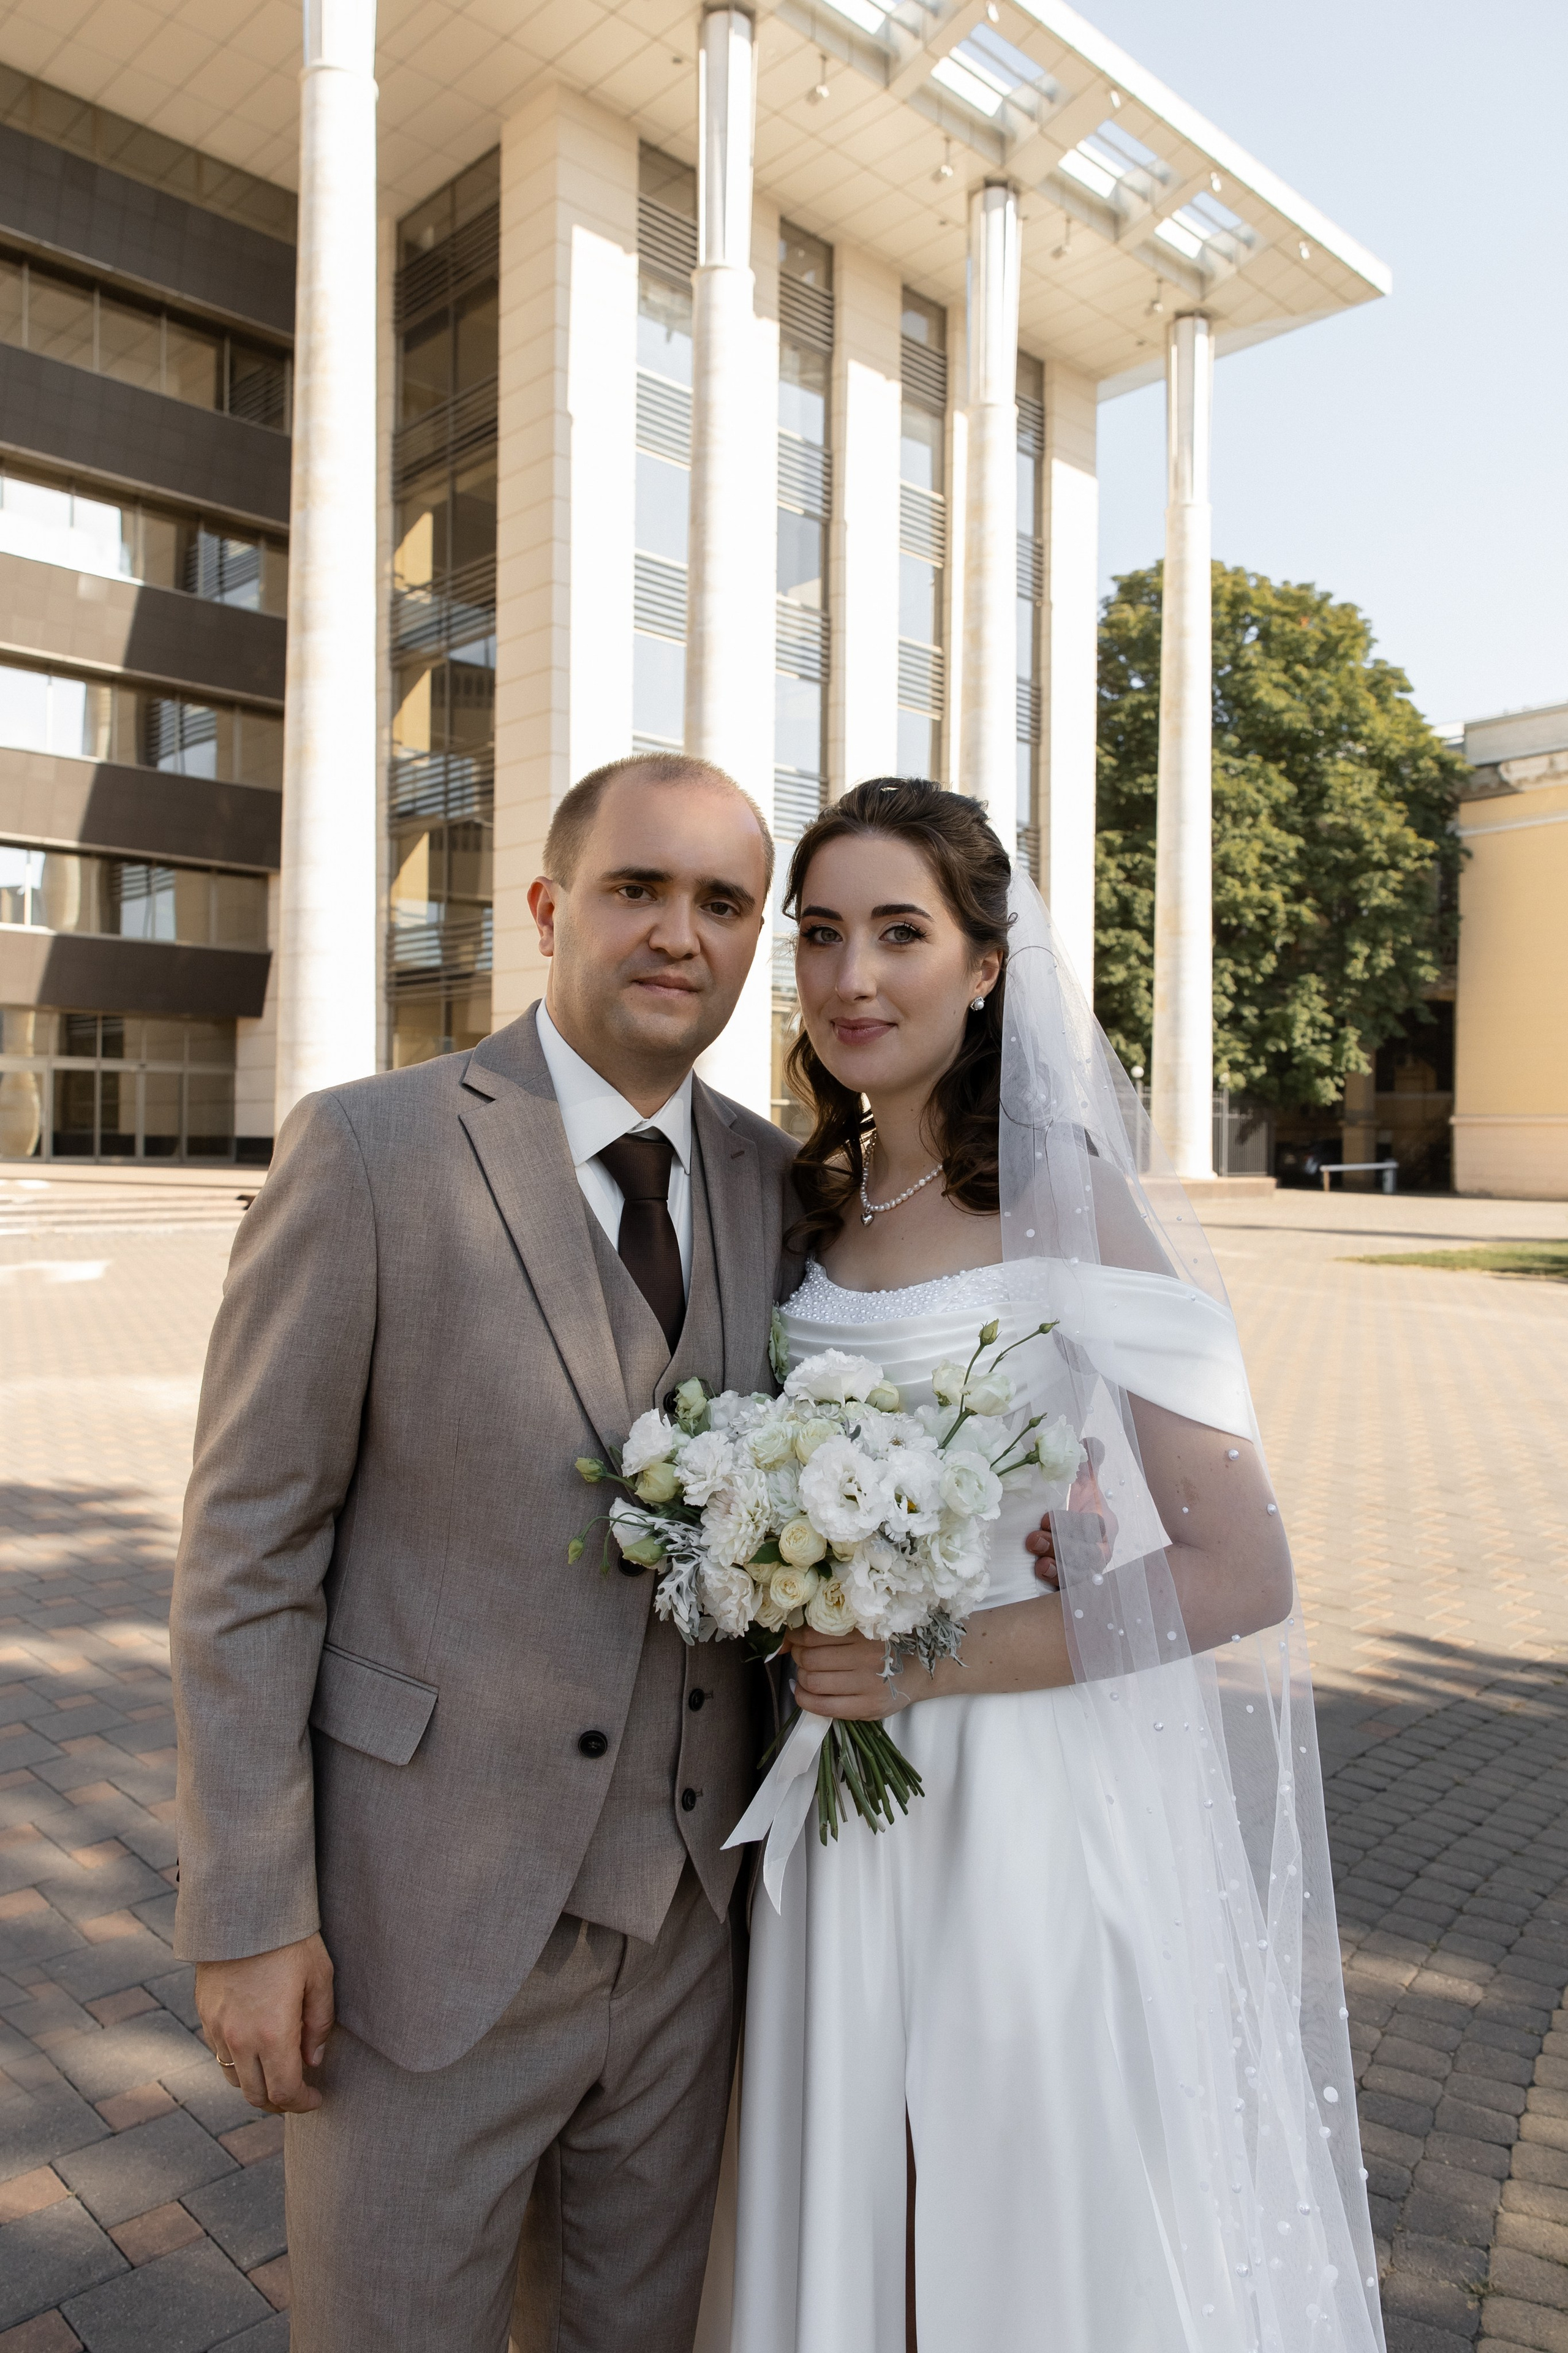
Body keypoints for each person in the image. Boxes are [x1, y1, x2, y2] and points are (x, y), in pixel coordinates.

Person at [720, 780, 1383, 2353]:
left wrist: (929, 1653)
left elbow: (1238, 1567)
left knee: (1017, 2200)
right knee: (859, 2199)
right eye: (819, 936)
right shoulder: (804, 1204)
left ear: (985, 966)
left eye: (900, 933)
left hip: (1011, 1793)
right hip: (833, 1790)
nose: (851, 978)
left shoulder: (1066, 1197)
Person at [169, 753, 799, 2353]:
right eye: (637, 890)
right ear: (545, 908)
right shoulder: (373, 1153)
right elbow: (250, 1552)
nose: (680, 933)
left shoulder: (778, 1186)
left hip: (691, 1941)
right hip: (419, 1936)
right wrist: (248, 1912)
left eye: (722, 902)